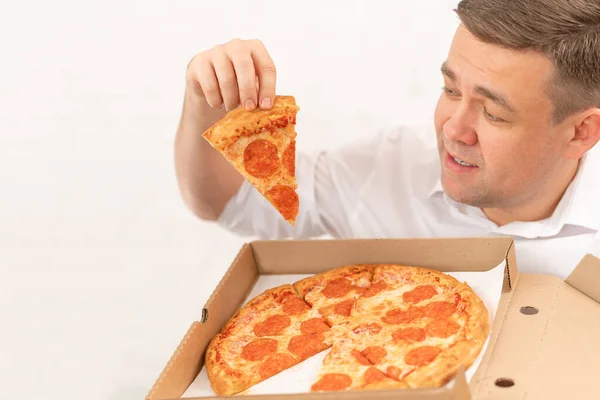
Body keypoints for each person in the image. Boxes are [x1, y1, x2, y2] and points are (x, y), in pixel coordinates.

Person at [174, 0, 600, 279]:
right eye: (451, 90)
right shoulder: (385, 169)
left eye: (493, 113)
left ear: (581, 132)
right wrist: (202, 102)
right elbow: (226, 204)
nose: (453, 129)